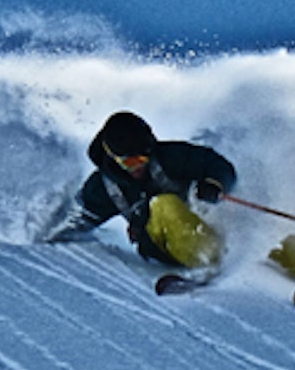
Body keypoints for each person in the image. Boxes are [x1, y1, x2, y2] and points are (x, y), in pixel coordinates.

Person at [44, 111, 237, 271]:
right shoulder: (104, 187)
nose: (138, 167)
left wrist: (214, 184)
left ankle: (252, 250)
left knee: (235, 213)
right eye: (130, 162)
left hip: (205, 225)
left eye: (143, 159)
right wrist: (49, 244)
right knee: (163, 204)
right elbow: (80, 220)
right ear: (113, 158)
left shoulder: (169, 157)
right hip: (165, 245)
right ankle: (209, 257)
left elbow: (216, 164)